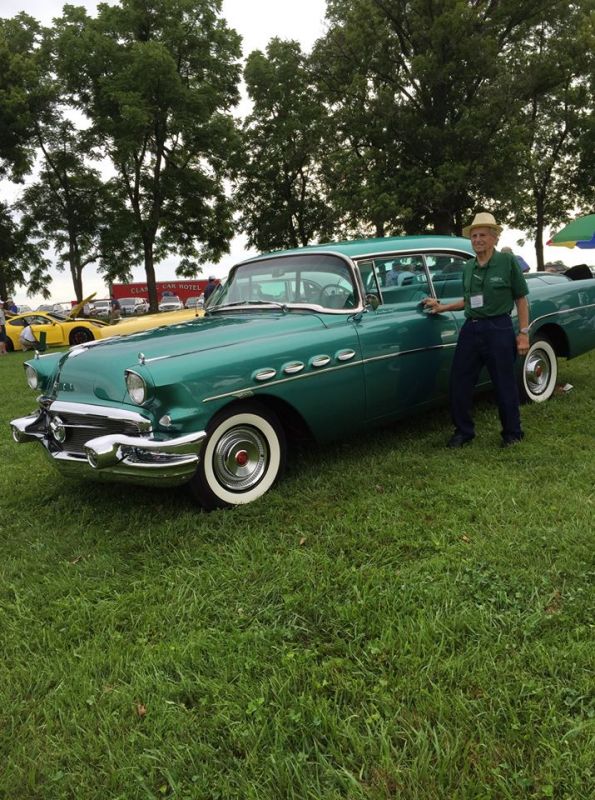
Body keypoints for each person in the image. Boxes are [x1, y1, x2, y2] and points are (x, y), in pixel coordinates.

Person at [423, 212, 530, 448]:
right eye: (474, 236)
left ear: (493, 238)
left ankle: (512, 433)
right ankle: (463, 432)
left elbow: (521, 299)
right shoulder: (469, 266)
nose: (477, 239)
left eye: (482, 235)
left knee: (504, 384)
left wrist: (523, 333)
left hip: (499, 328)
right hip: (471, 329)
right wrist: (443, 307)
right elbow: (469, 300)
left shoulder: (507, 261)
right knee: (459, 382)